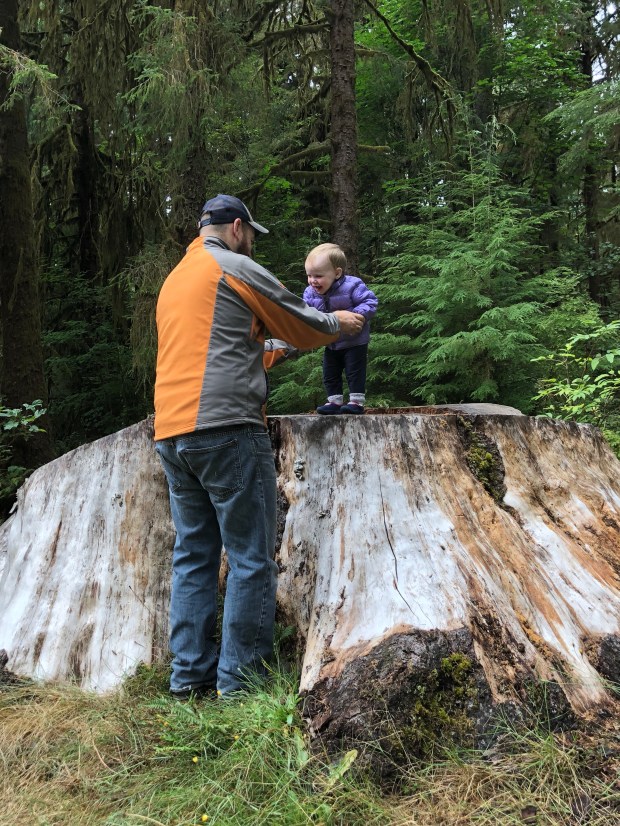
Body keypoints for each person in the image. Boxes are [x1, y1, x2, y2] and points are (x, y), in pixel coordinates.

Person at [154, 194, 364, 699]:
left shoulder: (177, 279)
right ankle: (240, 685)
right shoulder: (233, 266)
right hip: (227, 428)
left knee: (193, 556)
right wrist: (340, 324)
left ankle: (189, 680)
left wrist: (277, 350)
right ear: (236, 228)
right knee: (250, 558)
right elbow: (302, 321)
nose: (251, 242)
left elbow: (222, 348)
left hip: (172, 433)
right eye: (250, 234)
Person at [303, 243, 378, 414]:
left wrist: (358, 315)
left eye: (318, 276)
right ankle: (334, 401)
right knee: (330, 373)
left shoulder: (352, 285)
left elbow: (370, 301)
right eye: (309, 275)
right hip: (331, 343)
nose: (312, 280)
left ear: (337, 273)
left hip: (355, 342)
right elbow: (305, 312)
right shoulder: (310, 293)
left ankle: (356, 401)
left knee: (354, 372)